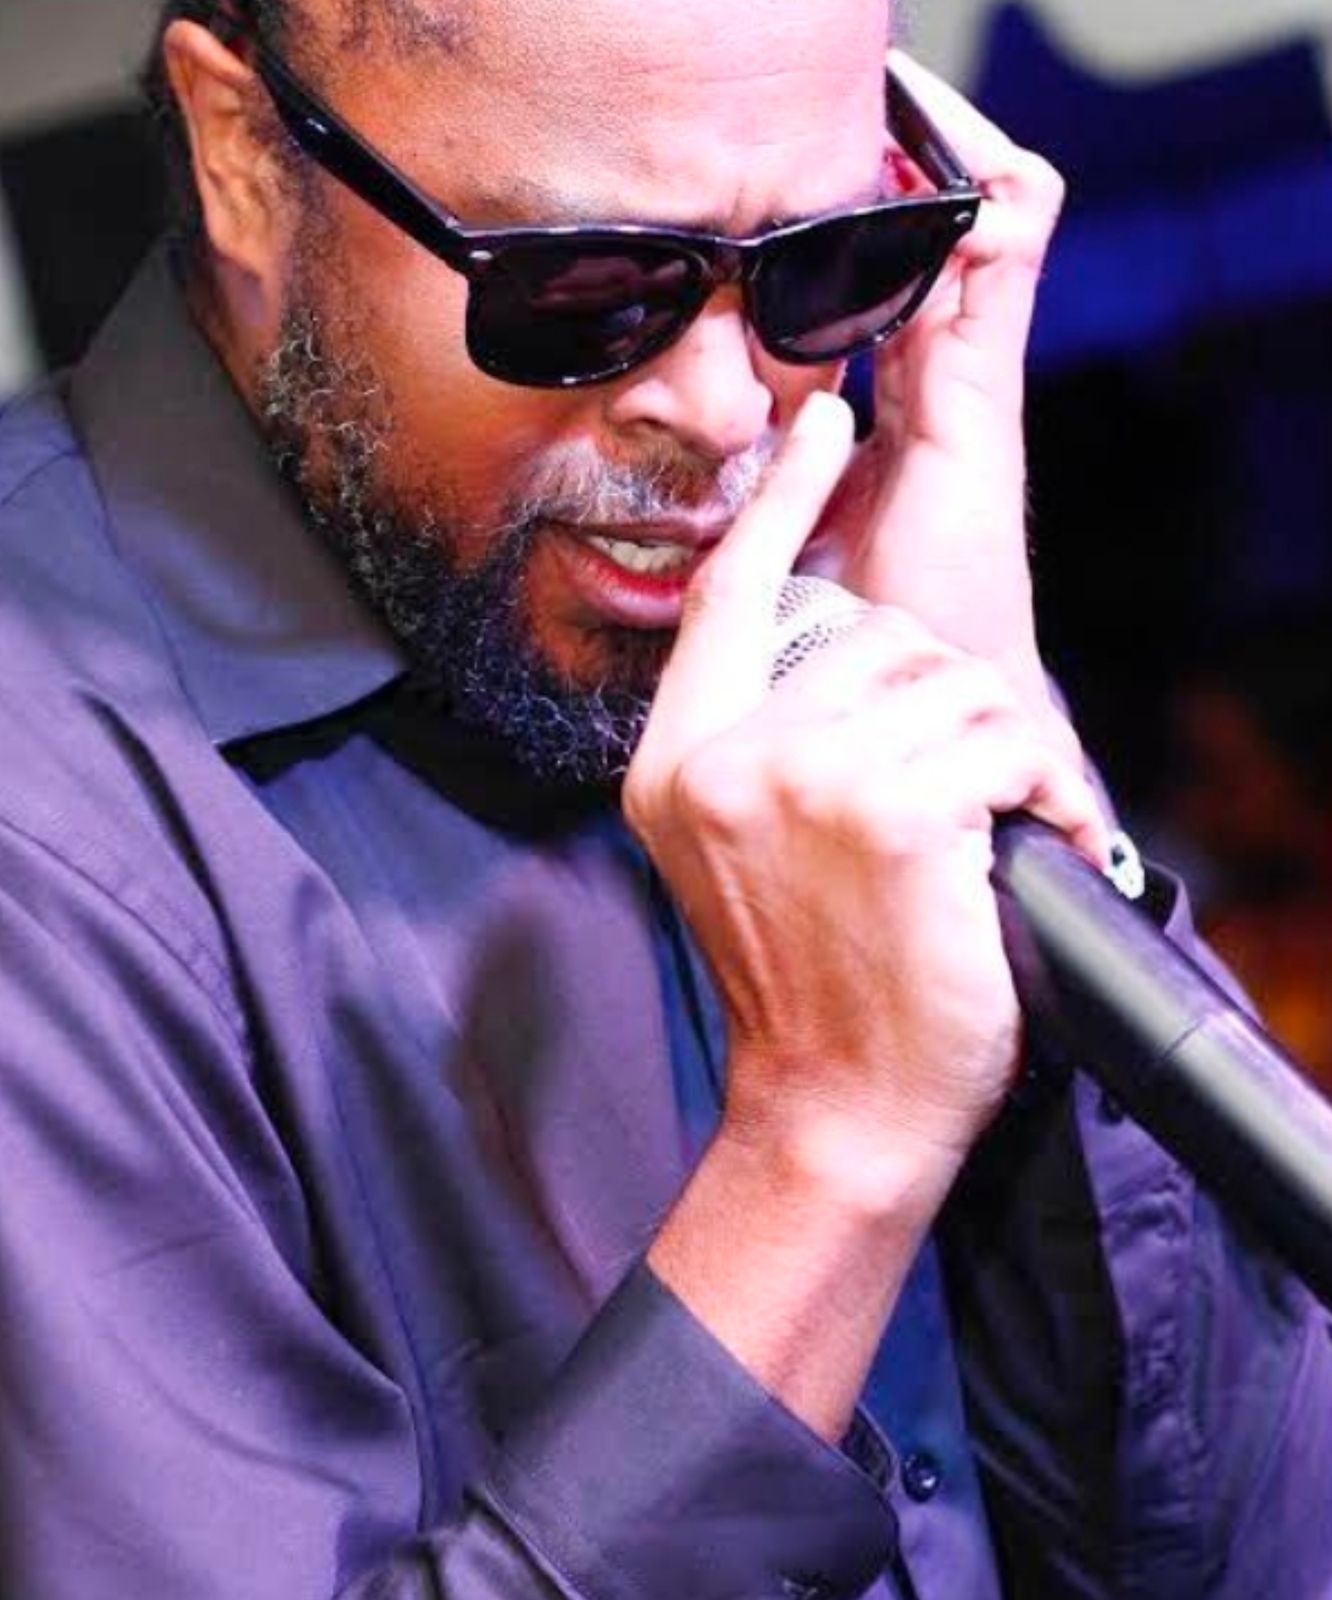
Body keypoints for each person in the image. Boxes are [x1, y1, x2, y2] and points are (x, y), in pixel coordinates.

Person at [0, 1, 1327, 1596]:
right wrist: (825, 1151)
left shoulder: (825, 604)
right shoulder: (47, 824)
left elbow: (1262, 1540)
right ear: (242, 154)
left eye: (830, 264)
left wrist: (1007, 769)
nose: (727, 412)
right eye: (581, 288)